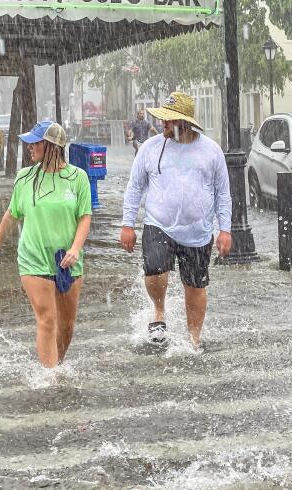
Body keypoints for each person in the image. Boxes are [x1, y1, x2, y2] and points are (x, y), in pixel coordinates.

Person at [119, 92, 232, 350]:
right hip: (158, 224)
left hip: (198, 231)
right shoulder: (150, 148)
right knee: (155, 271)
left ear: (185, 122)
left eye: (169, 120)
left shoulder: (211, 152)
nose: (163, 124)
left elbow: (222, 193)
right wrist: (127, 225)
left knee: (194, 286)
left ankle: (193, 339)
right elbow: (135, 187)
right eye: (163, 120)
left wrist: (225, 230)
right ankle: (159, 313)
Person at [0, 120, 92, 368]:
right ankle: (50, 376)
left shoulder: (78, 178)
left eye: (35, 143)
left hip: (68, 260)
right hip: (33, 258)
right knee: (47, 319)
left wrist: (75, 249)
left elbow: (85, 217)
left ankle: (57, 363)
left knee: (66, 325)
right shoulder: (25, 177)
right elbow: (12, 214)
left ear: (52, 146)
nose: (29, 147)